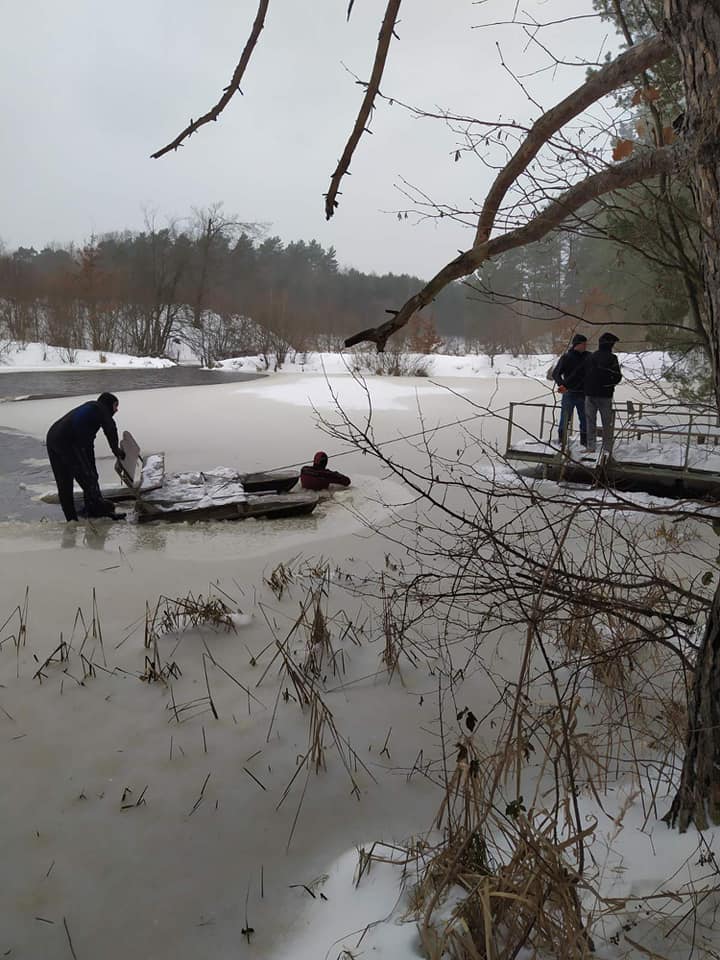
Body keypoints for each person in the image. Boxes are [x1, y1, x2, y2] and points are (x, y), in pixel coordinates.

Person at [46, 392, 126, 522]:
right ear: (108, 404)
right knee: (87, 478)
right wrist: (116, 450)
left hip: (53, 437)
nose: (117, 410)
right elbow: (111, 429)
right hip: (68, 440)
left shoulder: (90, 412)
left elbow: (88, 447)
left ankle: (72, 519)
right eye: (115, 405)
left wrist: (92, 469)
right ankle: (98, 512)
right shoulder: (100, 408)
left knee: (65, 483)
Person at [584, 333, 622, 454]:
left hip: (590, 395)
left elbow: (584, 374)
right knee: (607, 423)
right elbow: (617, 376)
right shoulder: (612, 358)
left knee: (590, 422)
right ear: (610, 344)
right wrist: (609, 384)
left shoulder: (591, 357)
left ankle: (591, 446)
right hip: (605, 395)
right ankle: (607, 448)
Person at [552, 333, 589, 448]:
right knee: (565, 418)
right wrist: (562, 385)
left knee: (585, 419)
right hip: (569, 393)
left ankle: (585, 442)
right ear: (577, 345)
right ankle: (562, 441)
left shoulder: (588, 356)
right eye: (584, 344)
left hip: (584, 393)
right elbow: (556, 374)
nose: (585, 346)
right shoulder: (566, 357)